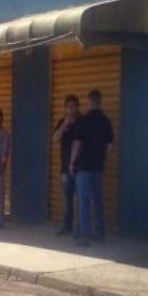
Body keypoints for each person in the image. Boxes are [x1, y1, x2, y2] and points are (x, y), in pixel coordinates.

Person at [70, 89, 113, 246]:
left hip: (84, 166)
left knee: (84, 201)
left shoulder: (84, 121)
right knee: (98, 200)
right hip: (97, 167)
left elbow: (77, 144)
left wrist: (72, 162)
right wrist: (102, 160)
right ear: (100, 101)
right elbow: (109, 147)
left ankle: (84, 237)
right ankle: (100, 233)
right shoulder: (106, 122)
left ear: (89, 102)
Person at [52, 94, 80, 236]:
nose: (72, 109)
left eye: (74, 106)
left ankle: (78, 227)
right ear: (65, 108)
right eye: (69, 107)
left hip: (80, 167)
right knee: (66, 198)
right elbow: (55, 138)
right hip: (64, 167)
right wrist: (64, 125)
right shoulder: (63, 121)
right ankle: (67, 225)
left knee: (79, 199)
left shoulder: (82, 122)